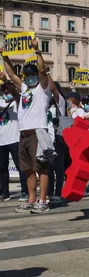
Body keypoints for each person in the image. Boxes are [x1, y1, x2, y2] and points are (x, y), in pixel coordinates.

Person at [2, 40, 53, 213]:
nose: (30, 77)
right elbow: (11, 74)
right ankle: (31, 200)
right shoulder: (24, 88)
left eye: (32, 75)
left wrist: (37, 51)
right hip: (23, 134)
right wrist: (4, 56)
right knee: (28, 169)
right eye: (27, 75)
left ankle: (43, 200)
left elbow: (41, 70)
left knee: (42, 167)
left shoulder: (43, 89)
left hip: (38, 132)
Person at [0, 73, 26, 201]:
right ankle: (4, 193)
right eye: (3, 89)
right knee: (2, 168)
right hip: (1, 141)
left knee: (20, 166)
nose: (5, 91)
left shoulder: (16, 102)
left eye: (6, 89)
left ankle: (25, 191)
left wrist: (6, 80)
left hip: (14, 139)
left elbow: (15, 93)